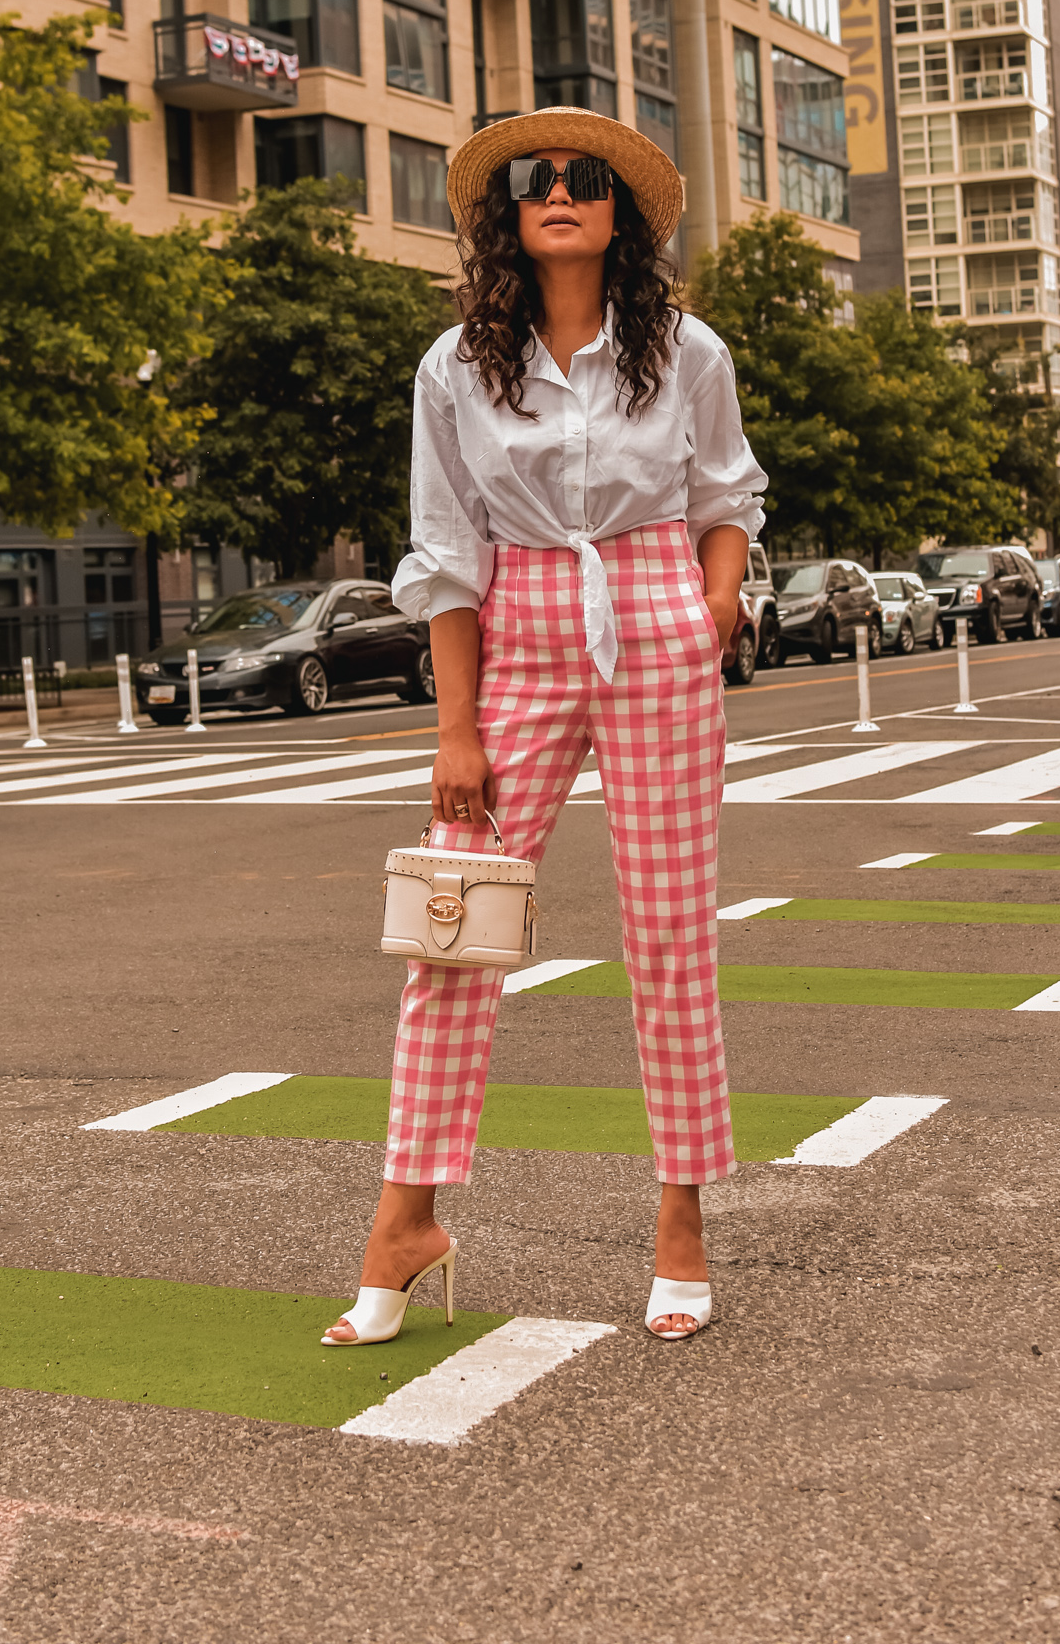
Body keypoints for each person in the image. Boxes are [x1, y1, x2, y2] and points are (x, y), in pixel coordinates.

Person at [322, 107, 767, 1346]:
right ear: (505, 214)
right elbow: (445, 550)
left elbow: (726, 490)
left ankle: (679, 1219)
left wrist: (712, 602)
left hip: (655, 620)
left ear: (619, 214)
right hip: (515, 621)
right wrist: (452, 726)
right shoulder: (455, 364)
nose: (559, 191)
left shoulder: (685, 352)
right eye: (534, 179)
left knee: (669, 934)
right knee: (454, 926)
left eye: (584, 180)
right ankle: (404, 1218)